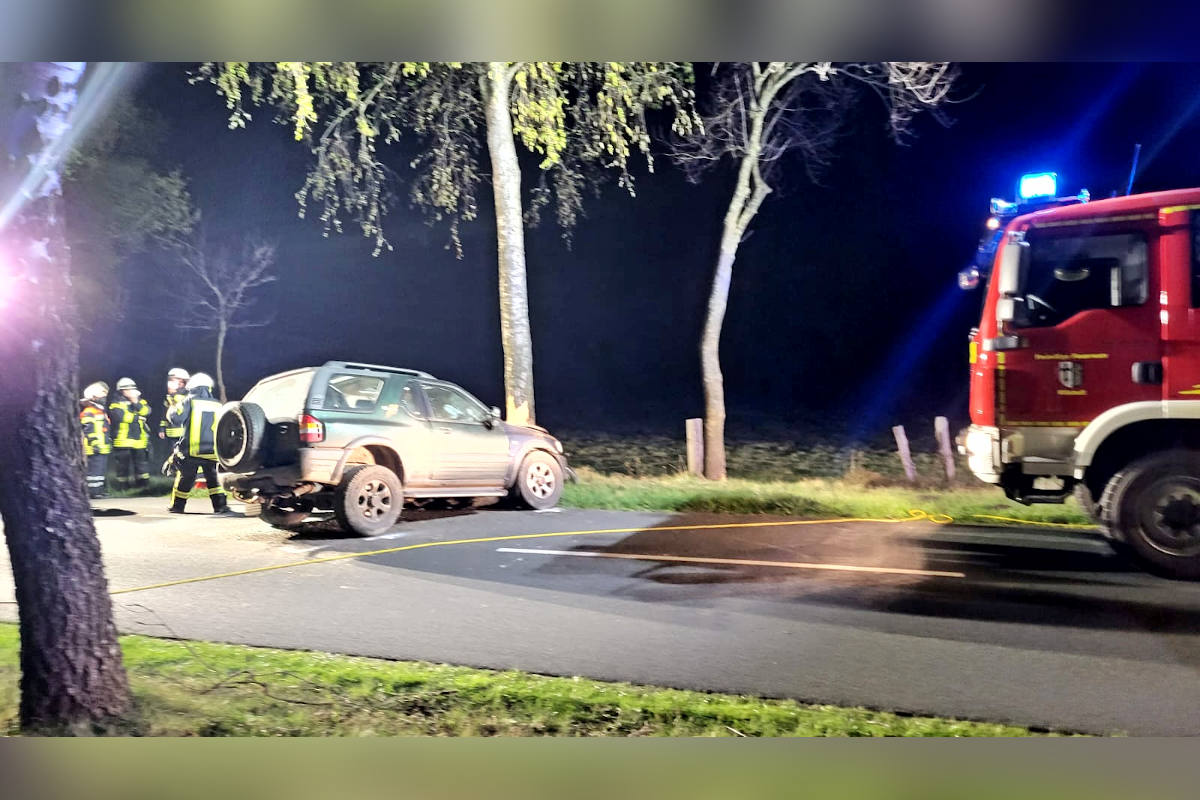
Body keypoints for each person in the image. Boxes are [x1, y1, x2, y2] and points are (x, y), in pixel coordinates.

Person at [167, 372, 236, 515]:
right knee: (214, 479)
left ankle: (178, 507)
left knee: (186, 478)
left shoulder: (189, 401)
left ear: (192, 387)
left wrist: (172, 406)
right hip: (212, 450)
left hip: (191, 450)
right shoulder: (218, 404)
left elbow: (176, 419)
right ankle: (220, 506)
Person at [109, 376, 151, 491]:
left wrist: (135, 402)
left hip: (139, 440)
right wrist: (138, 417)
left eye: (132, 389)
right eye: (127, 389)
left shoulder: (140, 401)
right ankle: (123, 487)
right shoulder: (115, 404)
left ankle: (142, 486)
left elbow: (146, 411)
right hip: (122, 441)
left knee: (141, 465)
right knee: (123, 466)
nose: (130, 391)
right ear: (121, 391)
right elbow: (121, 417)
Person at [80, 382, 111, 499]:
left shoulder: (100, 411)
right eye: (102, 394)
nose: (104, 397)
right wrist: (95, 444)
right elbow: (89, 430)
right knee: (93, 472)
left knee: (100, 471)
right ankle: (92, 492)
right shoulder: (89, 411)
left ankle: (99, 490)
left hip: (101, 447)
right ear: (93, 396)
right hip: (94, 448)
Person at [159, 367, 190, 444]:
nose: (170, 384)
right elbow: (164, 415)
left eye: (173, 381)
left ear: (182, 383)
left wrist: (177, 399)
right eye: (170, 380)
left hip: (184, 435)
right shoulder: (169, 398)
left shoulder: (188, 398)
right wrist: (162, 429)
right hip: (170, 434)